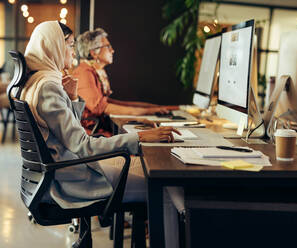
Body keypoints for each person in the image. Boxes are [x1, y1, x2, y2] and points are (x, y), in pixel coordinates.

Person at [21, 20, 179, 211]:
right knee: (167, 186)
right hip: (71, 181)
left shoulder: (38, 81)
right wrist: (141, 137)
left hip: (64, 172)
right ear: (54, 46)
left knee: (146, 167)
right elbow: (83, 145)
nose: (74, 52)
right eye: (70, 46)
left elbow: (69, 134)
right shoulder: (48, 87)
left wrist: (72, 98)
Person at [73, 28, 179, 135]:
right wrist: (146, 112)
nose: (112, 50)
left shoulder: (95, 71)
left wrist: (154, 108)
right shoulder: (84, 73)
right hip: (92, 136)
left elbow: (109, 102)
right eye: (108, 47)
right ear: (94, 53)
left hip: (101, 131)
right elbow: (101, 107)